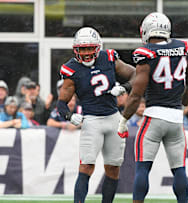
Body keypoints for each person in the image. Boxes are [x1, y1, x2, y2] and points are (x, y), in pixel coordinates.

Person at [117, 13, 188, 203]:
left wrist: (123, 120)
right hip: (176, 119)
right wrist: (184, 103)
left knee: (143, 168)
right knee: (179, 169)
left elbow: (137, 93)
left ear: (145, 31)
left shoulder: (147, 54)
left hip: (153, 117)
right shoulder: (181, 49)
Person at [57, 27, 136, 203]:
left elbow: (136, 74)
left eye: (89, 48)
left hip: (113, 118)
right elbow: (61, 103)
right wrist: (69, 116)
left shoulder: (108, 59)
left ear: (98, 47)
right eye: (82, 48)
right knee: (86, 166)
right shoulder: (72, 69)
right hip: (92, 121)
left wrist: (125, 88)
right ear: (75, 49)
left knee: (113, 168)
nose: (86, 53)